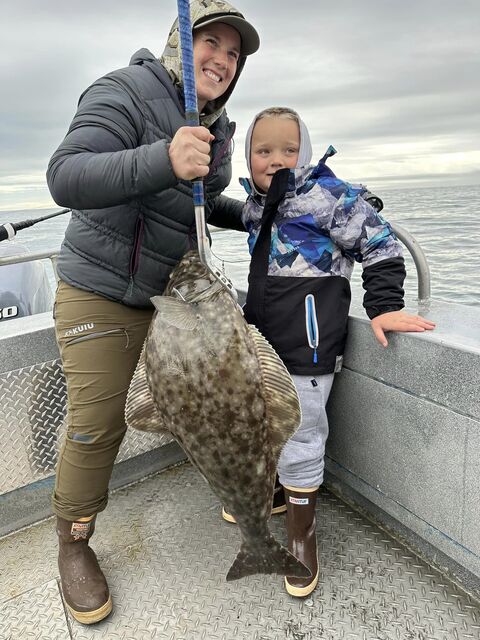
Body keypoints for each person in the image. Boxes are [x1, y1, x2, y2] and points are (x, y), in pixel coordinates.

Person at [45, 0, 259, 625]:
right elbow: (67, 175)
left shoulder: (220, 127)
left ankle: (239, 489)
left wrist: (250, 214)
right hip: (101, 288)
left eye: (233, 53)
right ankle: (72, 543)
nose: (221, 60)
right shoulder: (123, 91)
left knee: (229, 390)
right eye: (210, 44)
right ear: (178, 43)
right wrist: (162, 157)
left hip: (174, 297)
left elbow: (198, 201)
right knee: (99, 417)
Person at [236, 107, 435, 598]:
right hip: (261, 344)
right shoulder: (255, 205)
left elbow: (381, 245)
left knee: (302, 433)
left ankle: (301, 540)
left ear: (304, 152)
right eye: (264, 151)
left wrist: (384, 306)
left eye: (289, 150)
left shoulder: (329, 196)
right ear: (249, 157)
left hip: (308, 344)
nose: (277, 160)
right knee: (263, 422)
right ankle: (278, 493)